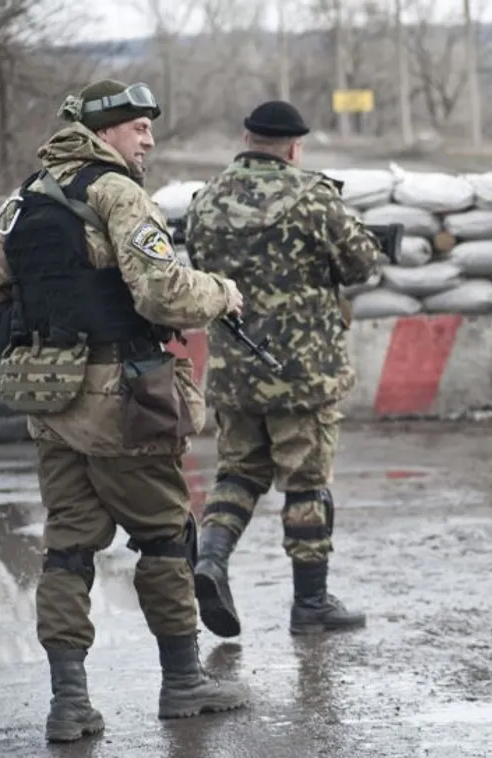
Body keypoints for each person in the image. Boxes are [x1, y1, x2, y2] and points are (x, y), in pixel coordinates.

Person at [0, 79, 251, 743]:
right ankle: (183, 684)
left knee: (68, 547)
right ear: (101, 133)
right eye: (135, 128)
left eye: (149, 127)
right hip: (122, 396)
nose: (148, 138)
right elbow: (162, 295)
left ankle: (69, 704)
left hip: (49, 398)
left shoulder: (23, 199)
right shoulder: (117, 192)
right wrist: (221, 292)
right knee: (161, 537)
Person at [183, 100, 381, 640]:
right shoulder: (314, 198)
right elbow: (362, 263)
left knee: (238, 473)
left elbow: (197, 271)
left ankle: (211, 560)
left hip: (235, 369)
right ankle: (311, 603)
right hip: (302, 373)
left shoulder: (206, 201)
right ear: (295, 147)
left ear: (247, 139)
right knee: (306, 482)